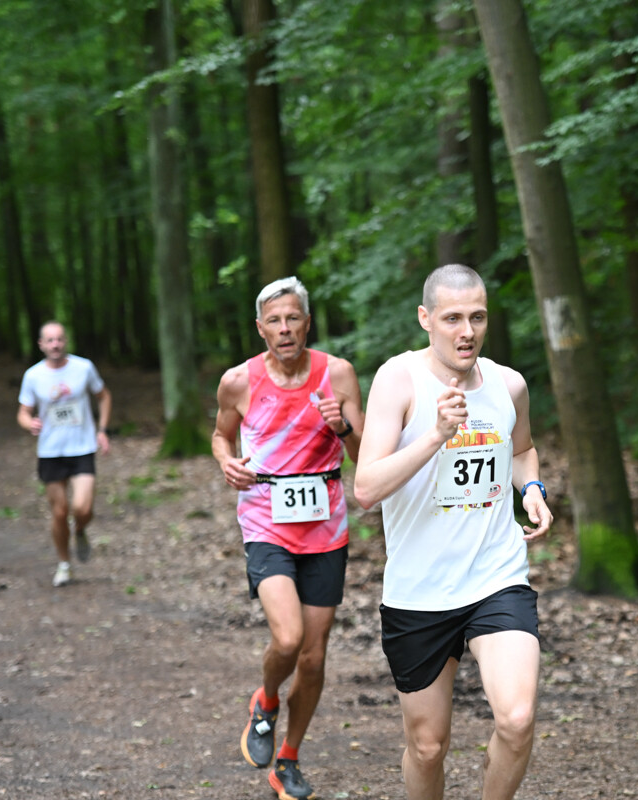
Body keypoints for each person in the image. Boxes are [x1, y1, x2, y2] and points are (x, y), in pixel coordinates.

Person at [353, 264, 553, 800]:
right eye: (453, 318)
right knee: (428, 746)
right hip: (420, 589)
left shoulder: (509, 385)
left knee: (516, 718)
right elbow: (367, 488)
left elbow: (523, 449)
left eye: (478, 317)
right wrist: (436, 436)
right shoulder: (398, 379)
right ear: (426, 319)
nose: (467, 331)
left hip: (496, 577)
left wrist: (531, 490)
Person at [211, 276, 365, 800]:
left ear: (306, 322)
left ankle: (289, 759)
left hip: (326, 526)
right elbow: (220, 433)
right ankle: (267, 701)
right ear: (260, 328)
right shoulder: (239, 380)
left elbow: (365, 459)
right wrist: (226, 462)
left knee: (315, 658)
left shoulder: (337, 374)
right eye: (274, 321)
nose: (284, 328)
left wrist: (342, 426)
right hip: (266, 520)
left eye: (292, 318)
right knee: (289, 638)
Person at [17, 321, 112, 588]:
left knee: (82, 508)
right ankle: (64, 564)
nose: (55, 344)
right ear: (41, 345)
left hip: (82, 448)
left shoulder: (83, 368)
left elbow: (104, 396)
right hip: (50, 452)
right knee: (59, 512)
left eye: (59, 339)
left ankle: (80, 530)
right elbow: (23, 412)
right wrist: (29, 423)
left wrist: (102, 430)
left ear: (65, 341)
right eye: (49, 340)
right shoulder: (33, 376)